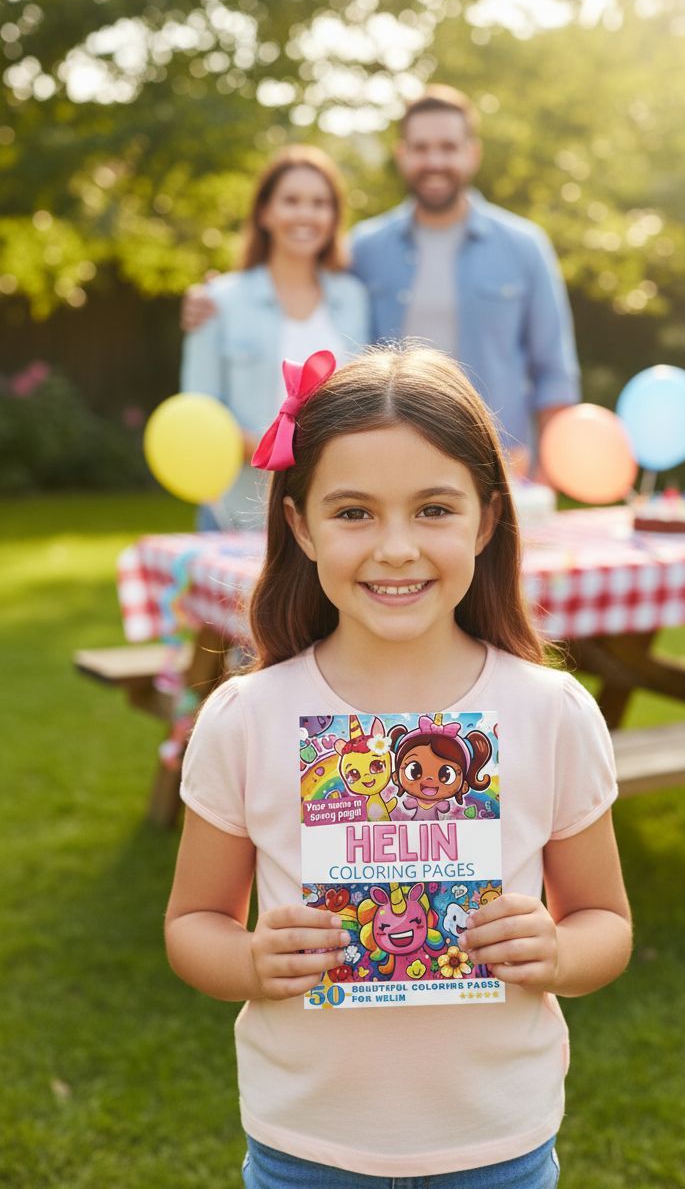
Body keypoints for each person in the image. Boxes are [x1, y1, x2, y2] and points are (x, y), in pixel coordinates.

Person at [165, 344, 632, 1187]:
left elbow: (606, 919)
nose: (394, 548)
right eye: (353, 513)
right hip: (306, 1148)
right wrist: (249, 961)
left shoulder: (551, 714)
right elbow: (192, 923)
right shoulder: (247, 718)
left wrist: (558, 952)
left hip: (499, 1143)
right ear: (300, 524)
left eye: (432, 510)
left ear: (487, 520)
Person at [181, 85, 580, 460]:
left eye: (448, 147)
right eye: (421, 148)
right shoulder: (366, 247)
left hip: (499, 464)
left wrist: (549, 468)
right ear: (402, 154)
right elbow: (298, 278)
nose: (435, 161)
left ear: (472, 154)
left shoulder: (525, 247)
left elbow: (555, 374)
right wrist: (216, 297)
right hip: (390, 466)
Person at [180, 144, 370, 530]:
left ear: (334, 217)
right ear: (265, 213)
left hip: (336, 511)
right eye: (291, 201)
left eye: (319, 203)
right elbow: (199, 409)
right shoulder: (220, 301)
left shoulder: (354, 298)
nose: (305, 214)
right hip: (239, 511)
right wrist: (280, 452)